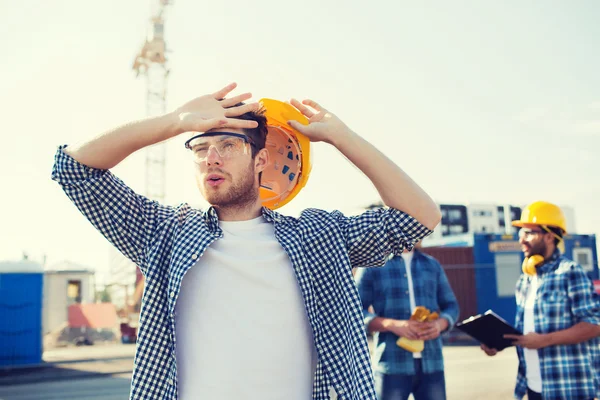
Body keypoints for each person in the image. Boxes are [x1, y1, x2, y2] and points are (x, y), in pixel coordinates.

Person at [51, 82, 441, 400]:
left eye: (228, 146)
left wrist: (342, 137)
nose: (211, 158)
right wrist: (174, 122)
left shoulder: (317, 236)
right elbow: (72, 169)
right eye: (201, 148)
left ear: (260, 162)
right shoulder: (164, 233)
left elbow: (421, 217)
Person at [480, 201, 600, 400]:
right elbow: (528, 334)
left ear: (549, 236)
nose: (521, 239)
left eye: (528, 232)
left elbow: (594, 324)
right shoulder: (525, 281)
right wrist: (498, 343)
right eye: (521, 233)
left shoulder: (570, 273)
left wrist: (544, 341)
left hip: (567, 388)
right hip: (533, 387)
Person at [355, 242, 459, 400]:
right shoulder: (371, 265)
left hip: (432, 362)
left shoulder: (432, 265)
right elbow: (353, 313)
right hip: (391, 363)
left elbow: (451, 306)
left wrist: (440, 324)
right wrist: (391, 325)